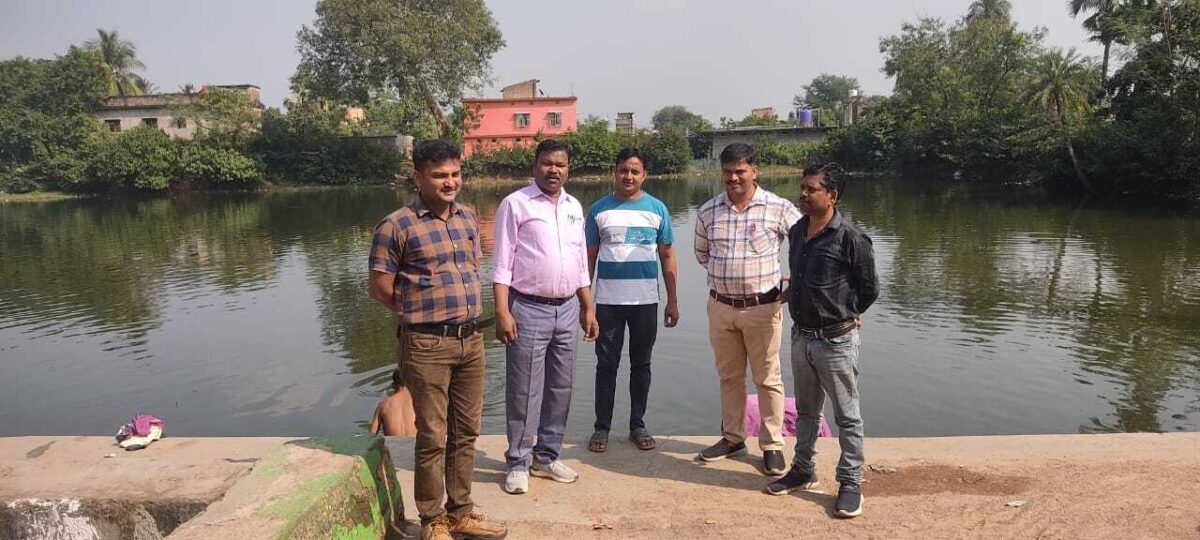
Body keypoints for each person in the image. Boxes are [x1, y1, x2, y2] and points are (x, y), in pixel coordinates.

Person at [368, 139, 506, 540]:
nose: (450, 182)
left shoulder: (467, 217)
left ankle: (461, 511)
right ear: (418, 178)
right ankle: (433, 520)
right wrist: (421, 312)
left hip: (471, 340)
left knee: (467, 432)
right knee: (431, 435)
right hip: (426, 344)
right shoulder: (396, 225)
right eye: (439, 175)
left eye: (455, 174)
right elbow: (380, 288)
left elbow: (471, 269)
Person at [765, 164, 878, 520]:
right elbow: (802, 276)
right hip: (802, 337)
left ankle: (850, 482)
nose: (803, 194)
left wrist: (845, 311)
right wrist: (794, 293)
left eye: (811, 189)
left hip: (836, 340)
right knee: (806, 412)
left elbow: (869, 289)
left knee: (847, 416)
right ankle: (803, 469)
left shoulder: (851, 238)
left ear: (833, 195)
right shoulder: (798, 231)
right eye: (802, 187)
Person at [492, 139, 600, 495]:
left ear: (568, 169)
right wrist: (502, 310)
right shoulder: (515, 204)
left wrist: (587, 306)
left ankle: (546, 455)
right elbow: (502, 264)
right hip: (528, 308)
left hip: (567, 308)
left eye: (561, 164)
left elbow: (579, 263)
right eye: (547, 163)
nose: (554, 170)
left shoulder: (574, 206)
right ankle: (518, 461)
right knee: (524, 390)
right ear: (535, 165)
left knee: (561, 387)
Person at [693, 143, 801, 477]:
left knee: (767, 378)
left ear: (755, 170)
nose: (734, 178)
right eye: (728, 172)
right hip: (721, 307)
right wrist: (731, 274)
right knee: (729, 376)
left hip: (762, 307)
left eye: (740, 171)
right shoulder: (709, 210)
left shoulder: (777, 207)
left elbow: (807, 244)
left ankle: (772, 445)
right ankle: (733, 437)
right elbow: (702, 254)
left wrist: (796, 279)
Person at [584, 148, 679, 453]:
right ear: (615, 171)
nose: (628, 176)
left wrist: (672, 301)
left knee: (642, 364)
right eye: (623, 170)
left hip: (645, 302)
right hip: (608, 303)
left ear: (644, 175)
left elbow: (667, 256)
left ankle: (637, 424)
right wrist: (586, 305)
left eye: (635, 171)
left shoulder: (658, 209)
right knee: (606, 365)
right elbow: (588, 260)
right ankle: (601, 428)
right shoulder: (598, 210)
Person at [369, 369, 418, 437]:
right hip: (416, 442)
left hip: (392, 443)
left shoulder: (383, 405)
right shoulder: (420, 403)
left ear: (393, 385)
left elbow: (371, 435)